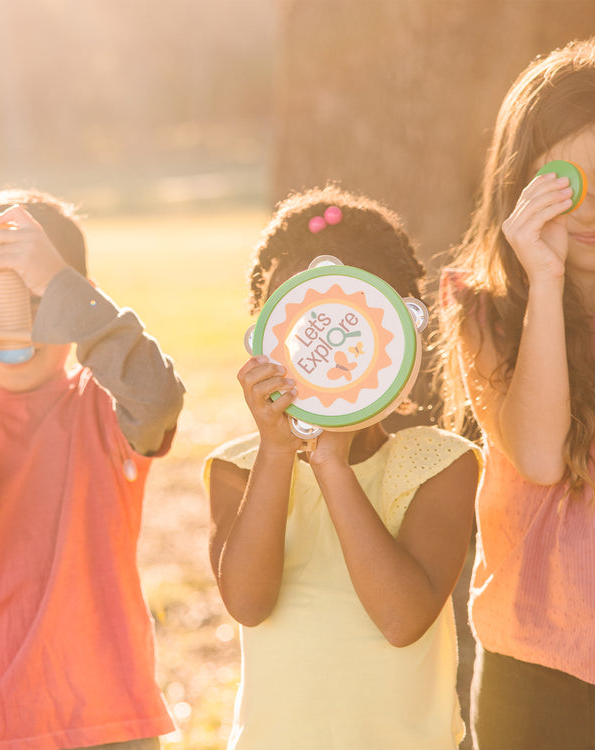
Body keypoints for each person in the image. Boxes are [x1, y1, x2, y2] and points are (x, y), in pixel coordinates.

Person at [436, 37, 595, 750]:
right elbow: (540, 456)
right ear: (520, 185)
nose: (593, 206)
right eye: (562, 180)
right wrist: (542, 281)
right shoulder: (483, 315)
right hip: (530, 668)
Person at [204, 184, 482, 750]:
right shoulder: (238, 467)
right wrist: (280, 451)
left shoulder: (439, 463)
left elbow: (403, 620)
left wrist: (330, 459)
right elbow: (248, 605)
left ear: (401, 332)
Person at [0, 189, 185, 750]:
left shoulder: (103, 407)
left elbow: (158, 398)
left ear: (78, 298)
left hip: (104, 719)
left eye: (36, 295)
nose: (12, 322)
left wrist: (61, 284)